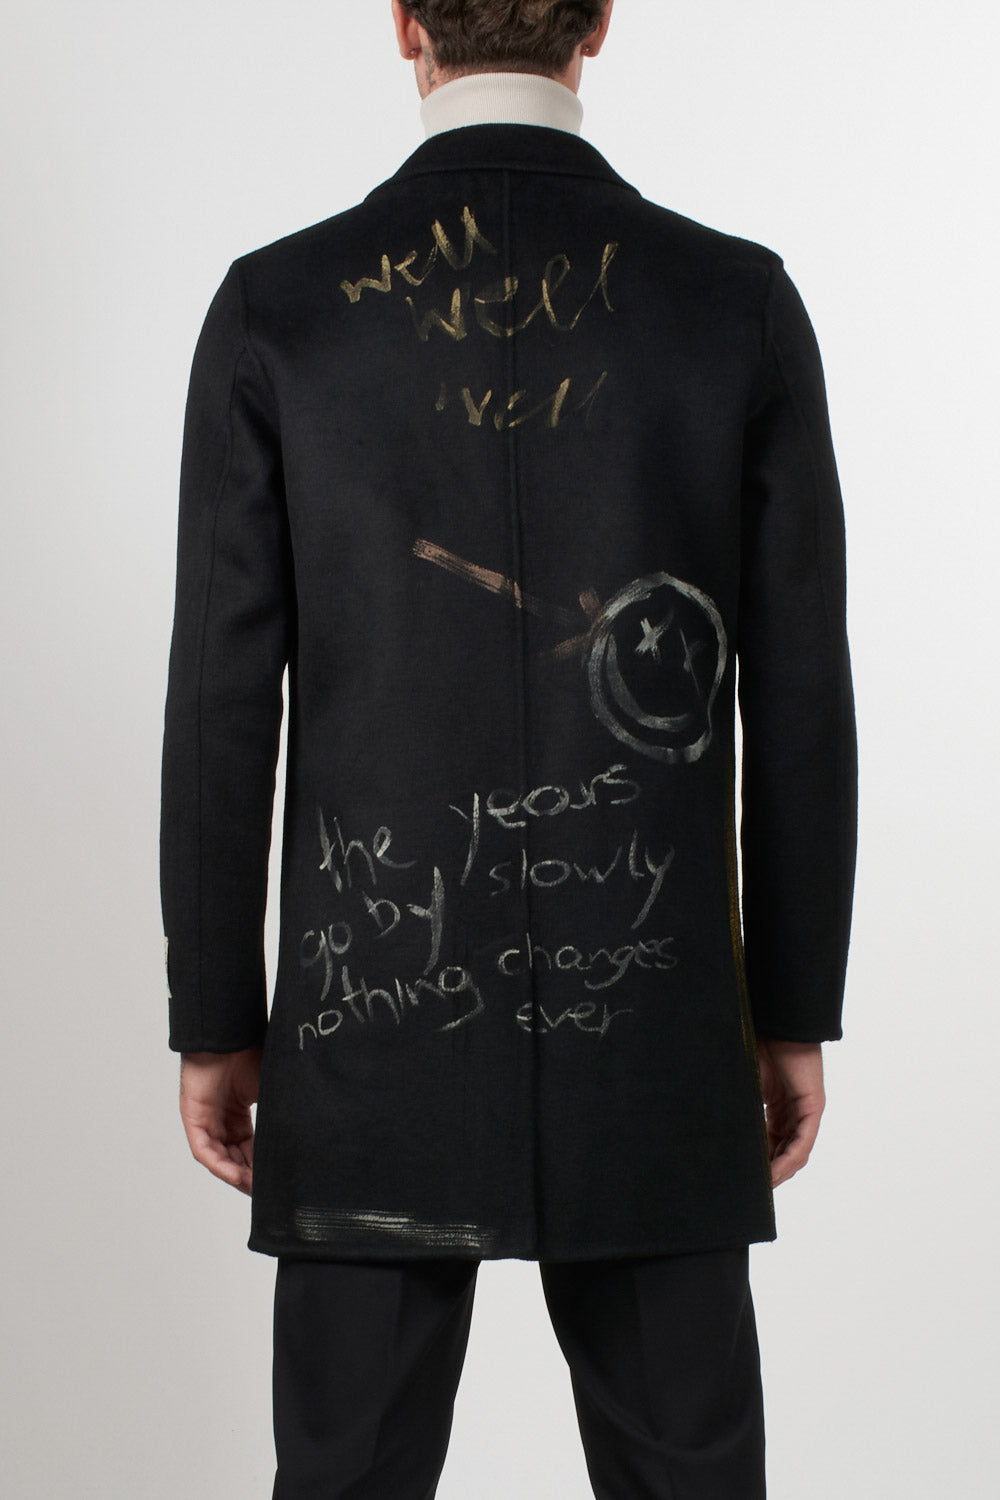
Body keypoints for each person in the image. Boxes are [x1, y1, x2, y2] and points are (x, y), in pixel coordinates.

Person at [160, 1, 858, 1494]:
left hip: (370, 1024)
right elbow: (801, 691)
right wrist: (791, 1005)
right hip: (655, 1028)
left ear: (404, 20)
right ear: (598, 22)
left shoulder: (281, 310)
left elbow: (220, 699)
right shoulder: (732, 303)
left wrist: (217, 1014)